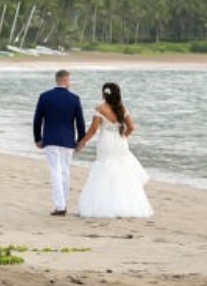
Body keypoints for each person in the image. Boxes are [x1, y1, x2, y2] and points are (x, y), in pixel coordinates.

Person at [75, 81, 153, 218]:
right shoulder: (122, 108)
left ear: (103, 93)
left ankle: (104, 205)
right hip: (120, 143)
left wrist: (82, 142)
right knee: (122, 171)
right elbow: (131, 127)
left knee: (104, 169)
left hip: (106, 144)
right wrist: (123, 137)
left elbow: (93, 130)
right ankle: (125, 205)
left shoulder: (100, 109)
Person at [33, 68, 87, 216]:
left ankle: (60, 206)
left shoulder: (45, 97)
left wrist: (37, 138)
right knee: (65, 171)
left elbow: (38, 119)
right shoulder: (74, 98)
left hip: (50, 139)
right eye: (69, 80)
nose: (70, 82)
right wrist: (80, 140)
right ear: (64, 80)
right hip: (68, 141)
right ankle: (63, 203)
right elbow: (80, 123)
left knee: (55, 171)